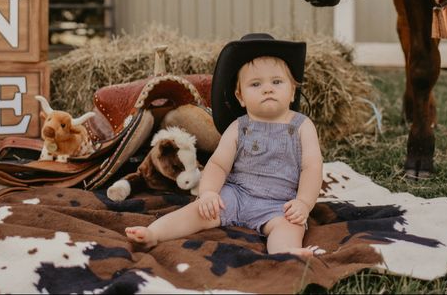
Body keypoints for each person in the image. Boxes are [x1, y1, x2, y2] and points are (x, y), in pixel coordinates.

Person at [125, 33, 323, 258]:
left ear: (292, 91)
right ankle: (154, 234)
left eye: (277, 82)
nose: (268, 89)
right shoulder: (239, 127)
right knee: (197, 211)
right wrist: (208, 193)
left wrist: (303, 203)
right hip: (236, 195)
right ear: (240, 97)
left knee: (291, 224)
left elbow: (312, 168)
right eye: (256, 84)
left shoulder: (302, 126)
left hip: (280, 203)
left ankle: (286, 252)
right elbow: (219, 164)